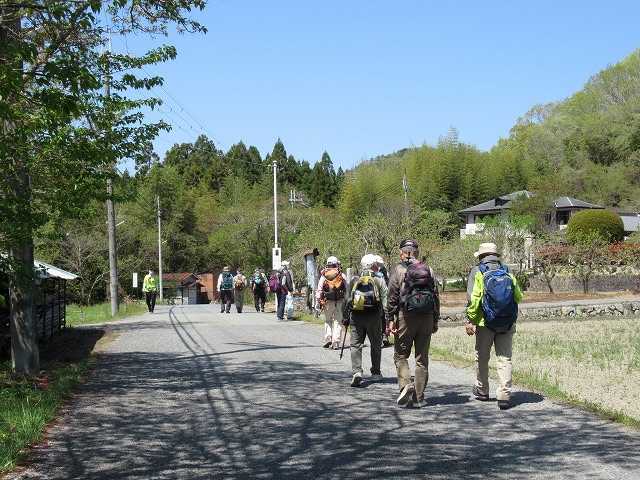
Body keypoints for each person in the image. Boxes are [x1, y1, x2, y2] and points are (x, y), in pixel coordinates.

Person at [465, 242, 523, 410]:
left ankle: (482, 390)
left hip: (485, 323)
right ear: (495, 256)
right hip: (506, 321)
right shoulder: (506, 270)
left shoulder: (477, 270)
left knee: (482, 357)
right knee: (504, 357)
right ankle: (504, 394)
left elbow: (473, 298)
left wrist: (471, 319)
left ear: (481, 256)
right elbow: (518, 296)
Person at [387, 239, 440, 408]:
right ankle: (418, 397)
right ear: (417, 252)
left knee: (400, 355)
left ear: (401, 252)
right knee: (422, 359)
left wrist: (390, 319)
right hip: (427, 316)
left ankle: (405, 385)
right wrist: (435, 319)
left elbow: (392, 295)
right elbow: (435, 295)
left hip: (406, 317)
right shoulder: (428, 269)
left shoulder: (398, 269)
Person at [346, 254, 388, 387]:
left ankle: (357, 372)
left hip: (356, 317)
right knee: (375, 344)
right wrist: (388, 318)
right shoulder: (379, 280)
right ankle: (375, 372)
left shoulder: (354, 280)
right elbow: (385, 300)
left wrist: (345, 318)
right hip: (374, 317)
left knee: (355, 345)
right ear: (373, 265)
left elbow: (347, 300)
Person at [316, 256, 348, 349]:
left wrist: (318, 301)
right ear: (337, 263)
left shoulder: (324, 275)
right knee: (338, 321)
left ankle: (328, 338)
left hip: (327, 301)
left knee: (328, 320)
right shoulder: (341, 274)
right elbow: (347, 288)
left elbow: (319, 289)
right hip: (340, 301)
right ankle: (336, 342)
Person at [372, 254, 391, 348]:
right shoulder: (384, 272)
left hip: (373, 300)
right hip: (382, 299)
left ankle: (380, 337)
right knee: (383, 318)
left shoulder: (371, 273)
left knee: (378, 320)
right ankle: (384, 336)